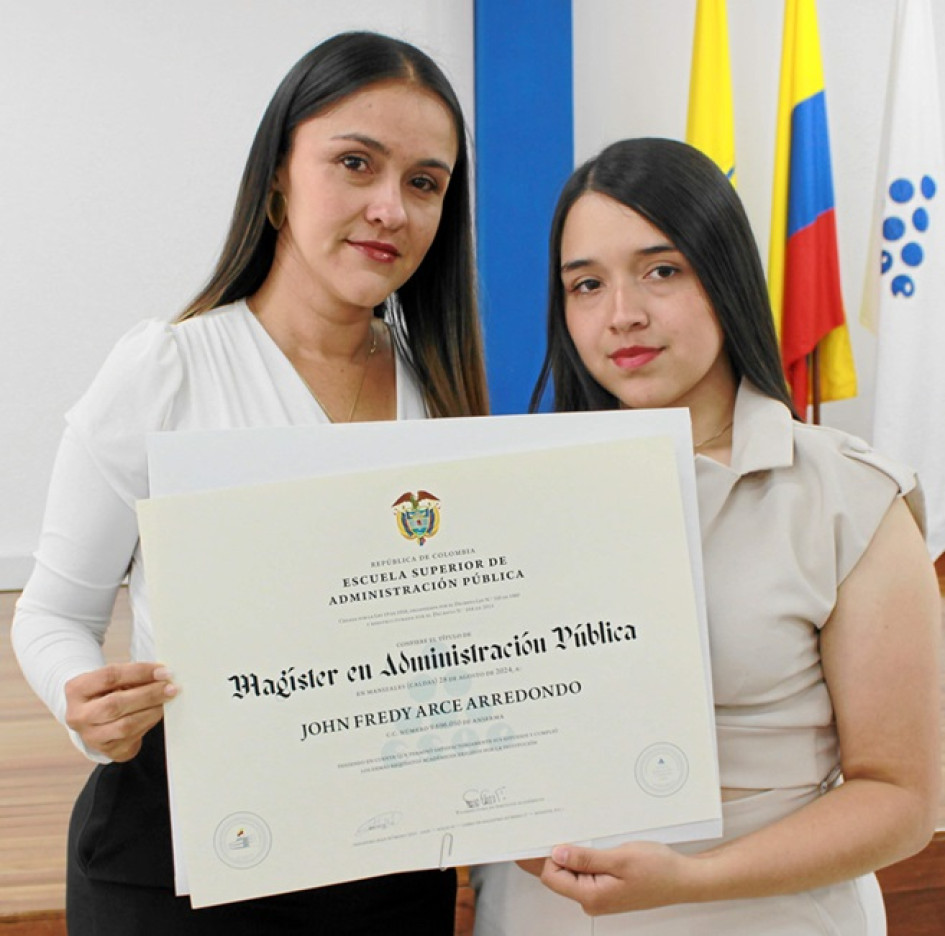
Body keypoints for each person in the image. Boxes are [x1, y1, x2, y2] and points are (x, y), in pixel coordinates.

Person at [13, 30, 488, 935]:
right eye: (356, 163)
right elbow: (51, 616)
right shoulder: (167, 369)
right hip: (177, 862)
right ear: (277, 175)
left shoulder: (446, 394)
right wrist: (87, 706)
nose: (389, 207)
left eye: (424, 182)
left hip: (389, 862)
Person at [470, 138, 941, 935]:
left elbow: (902, 800)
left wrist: (690, 879)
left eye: (662, 270)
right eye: (586, 284)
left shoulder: (847, 497)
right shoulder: (512, 494)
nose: (622, 313)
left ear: (723, 276)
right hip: (535, 915)